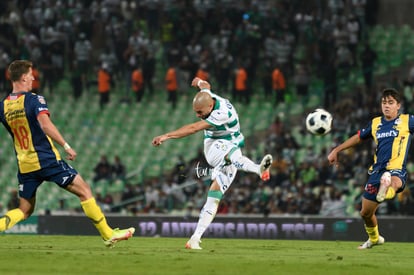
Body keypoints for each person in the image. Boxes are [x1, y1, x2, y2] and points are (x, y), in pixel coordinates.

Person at [0, 60, 134, 247]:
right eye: (30, 74)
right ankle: (108, 234)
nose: (32, 77)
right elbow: (45, 124)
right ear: (23, 77)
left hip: (25, 164)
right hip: (46, 159)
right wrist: (66, 145)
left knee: (24, 210)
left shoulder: (3, 106)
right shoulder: (33, 99)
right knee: (85, 191)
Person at [152, 77, 273, 249]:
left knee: (214, 196)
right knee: (232, 155)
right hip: (215, 148)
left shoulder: (220, 112)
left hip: (231, 146)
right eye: (196, 112)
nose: (198, 115)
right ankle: (257, 169)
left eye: (200, 112)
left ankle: (195, 238)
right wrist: (199, 81)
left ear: (210, 107)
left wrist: (166, 136)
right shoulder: (207, 96)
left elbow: (193, 128)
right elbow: (205, 85)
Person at [327, 88, 411, 249]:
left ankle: (386, 188)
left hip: (396, 168)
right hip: (376, 171)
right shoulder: (375, 123)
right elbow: (358, 137)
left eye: (391, 103)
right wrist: (337, 150)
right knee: (365, 213)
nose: (386, 106)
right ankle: (374, 238)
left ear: (398, 105)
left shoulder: (408, 121)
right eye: (384, 102)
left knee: (393, 181)